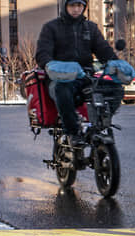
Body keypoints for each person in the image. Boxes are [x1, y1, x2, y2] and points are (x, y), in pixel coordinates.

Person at [35, 0, 118, 144]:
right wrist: (50, 64)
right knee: (62, 90)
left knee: (116, 89)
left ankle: (102, 123)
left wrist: (116, 64)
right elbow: (43, 53)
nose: (76, 9)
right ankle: (73, 132)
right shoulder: (51, 27)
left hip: (85, 77)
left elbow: (103, 50)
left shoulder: (90, 28)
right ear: (65, 6)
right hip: (61, 78)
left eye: (80, 5)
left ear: (84, 7)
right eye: (72, 5)